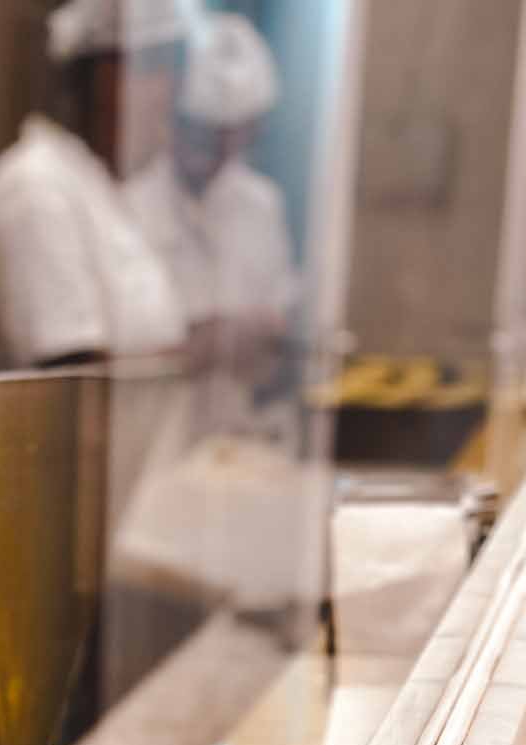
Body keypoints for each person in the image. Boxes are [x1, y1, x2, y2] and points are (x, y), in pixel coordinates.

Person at [0, 0, 189, 373]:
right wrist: (204, 357)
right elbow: (73, 381)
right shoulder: (36, 187)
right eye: (150, 69)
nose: (167, 95)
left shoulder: (104, 188)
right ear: (96, 80)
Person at [124, 11, 298, 435]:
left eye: (224, 133)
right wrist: (210, 339)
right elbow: (118, 360)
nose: (207, 146)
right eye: (195, 127)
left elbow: (281, 335)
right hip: (150, 444)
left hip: (239, 440)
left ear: (248, 132)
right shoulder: (127, 206)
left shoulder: (262, 206)